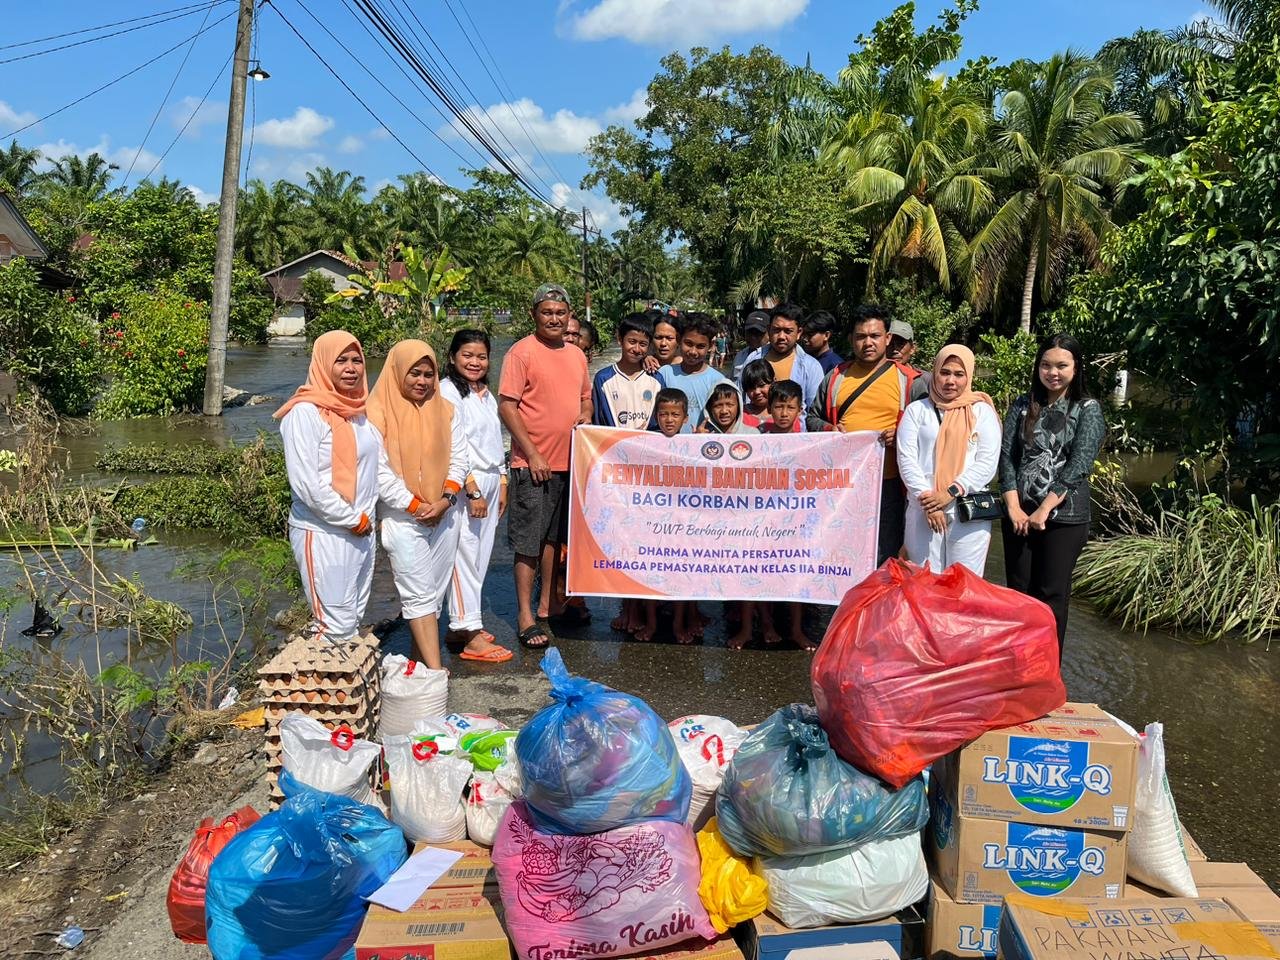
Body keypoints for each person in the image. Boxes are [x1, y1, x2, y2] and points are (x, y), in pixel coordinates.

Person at [276, 330, 422, 643]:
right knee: (333, 624)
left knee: (352, 617)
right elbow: (307, 484)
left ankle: (346, 686)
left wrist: (414, 505)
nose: (351, 368)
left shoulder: (359, 417)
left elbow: (379, 474)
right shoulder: (304, 413)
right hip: (324, 532)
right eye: (341, 360)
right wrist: (351, 518)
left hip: (361, 532)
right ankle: (319, 687)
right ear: (322, 364)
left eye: (356, 360)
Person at [498, 283, 592, 649]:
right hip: (532, 464)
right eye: (547, 312)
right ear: (534, 314)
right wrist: (532, 453)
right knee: (528, 542)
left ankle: (546, 606)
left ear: (569, 315)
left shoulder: (576, 355)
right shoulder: (521, 353)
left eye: (560, 312)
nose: (554, 318)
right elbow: (507, 406)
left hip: (570, 463)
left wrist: (585, 414)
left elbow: (584, 397)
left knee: (554, 539)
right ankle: (524, 614)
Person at [999, 334, 1106, 650]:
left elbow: (1079, 464)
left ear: (1076, 367)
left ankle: (1046, 675)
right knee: (1018, 595)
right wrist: (1014, 506)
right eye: (1046, 365)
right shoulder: (1022, 404)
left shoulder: (1087, 408)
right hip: (1018, 516)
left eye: (1061, 365)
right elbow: (1007, 457)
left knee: (1051, 596)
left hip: (1063, 518)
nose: (1053, 372)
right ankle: (1018, 669)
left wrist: (1044, 508)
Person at [368, 340, 471, 669]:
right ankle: (437, 674)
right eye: (415, 373)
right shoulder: (375, 413)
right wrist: (414, 506)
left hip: (444, 515)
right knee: (417, 595)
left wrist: (445, 500)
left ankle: (419, 665)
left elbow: (460, 457)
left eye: (429, 374)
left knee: (434, 596)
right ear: (398, 371)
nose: (423, 381)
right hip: (401, 519)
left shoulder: (445, 409)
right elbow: (378, 471)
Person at [807, 304, 927, 564]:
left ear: (887, 339)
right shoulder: (835, 378)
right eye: (861, 337)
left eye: (874, 336)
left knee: (887, 554)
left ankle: (881, 604)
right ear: (851, 339)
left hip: (890, 485)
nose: (868, 343)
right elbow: (811, 418)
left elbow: (931, 429)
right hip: (844, 484)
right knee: (841, 552)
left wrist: (902, 435)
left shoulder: (910, 381)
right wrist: (829, 429)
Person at [439, 329, 513, 663]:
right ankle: (468, 631)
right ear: (453, 356)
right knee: (466, 555)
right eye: (467, 355)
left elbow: (494, 439)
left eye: (481, 356)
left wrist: (502, 478)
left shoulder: (484, 393)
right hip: (469, 483)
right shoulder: (448, 392)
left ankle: (461, 624)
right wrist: (472, 488)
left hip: (491, 477)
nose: (475, 362)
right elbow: (454, 445)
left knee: (480, 555)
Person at [896, 345, 1001, 576]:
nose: (950, 381)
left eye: (959, 374)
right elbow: (907, 460)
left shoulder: (982, 412)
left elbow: (987, 464)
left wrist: (950, 492)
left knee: (964, 583)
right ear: (934, 373)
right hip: (923, 509)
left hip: (968, 510)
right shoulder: (916, 411)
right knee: (923, 579)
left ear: (969, 376)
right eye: (945, 372)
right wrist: (929, 501)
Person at [731, 378, 814, 652]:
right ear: (770, 407)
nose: (784, 413)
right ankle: (747, 628)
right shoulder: (757, 439)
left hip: (795, 519)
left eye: (790, 408)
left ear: (800, 409)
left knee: (795, 574)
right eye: (778, 407)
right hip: (759, 519)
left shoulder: (810, 439)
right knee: (752, 572)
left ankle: (796, 630)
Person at [739, 303, 824, 410]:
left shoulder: (811, 367)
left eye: (788, 331)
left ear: (799, 333)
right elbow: (740, 398)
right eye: (776, 330)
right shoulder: (753, 359)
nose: (781, 337)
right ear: (769, 330)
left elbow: (814, 411)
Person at [655, 312, 729, 433]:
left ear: (710, 346)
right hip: (668, 446)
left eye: (700, 346)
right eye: (688, 344)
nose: (693, 351)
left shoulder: (718, 380)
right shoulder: (664, 374)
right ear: (679, 340)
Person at [592, 312, 659, 429]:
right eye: (632, 342)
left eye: (643, 344)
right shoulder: (603, 379)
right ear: (620, 339)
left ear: (649, 346)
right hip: (614, 445)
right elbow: (599, 421)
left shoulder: (656, 378)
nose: (637, 349)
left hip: (648, 445)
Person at [888, 319, 931, 393]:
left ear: (912, 349)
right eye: (890, 344)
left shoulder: (926, 380)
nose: (894, 350)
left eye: (900, 344)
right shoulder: (876, 378)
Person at [732, 310, 769, 380]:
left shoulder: (772, 357)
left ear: (769, 333)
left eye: (758, 333)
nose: (753, 337)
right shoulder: (740, 356)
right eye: (749, 332)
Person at [740, 358, 775, 430]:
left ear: (773, 382)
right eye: (751, 388)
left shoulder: (785, 414)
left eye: (761, 385)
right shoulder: (740, 415)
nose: (757, 392)